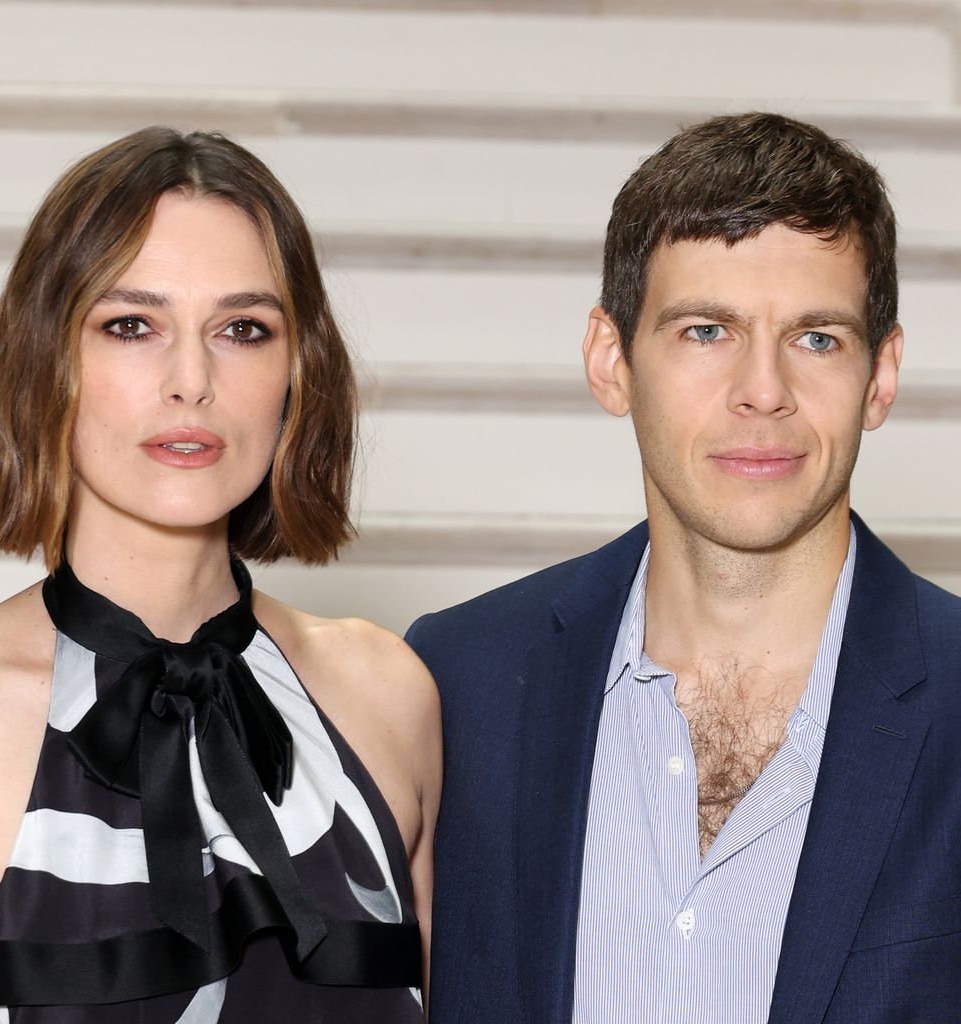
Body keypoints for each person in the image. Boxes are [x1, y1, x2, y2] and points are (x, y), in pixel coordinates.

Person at [407, 112, 961, 1023]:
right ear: (610, 359)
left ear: (883, 374)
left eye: (816, 338)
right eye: (707, 331)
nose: (764, 391)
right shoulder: (459, 684)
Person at [0, 127, 440, 1022]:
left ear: (299, 371)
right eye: (132, 325)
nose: (192, 379)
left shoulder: (386, 695)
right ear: (46, 357)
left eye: (243, 329)